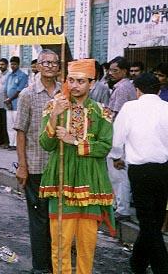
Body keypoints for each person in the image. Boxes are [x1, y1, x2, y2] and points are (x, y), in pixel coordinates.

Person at [39, 58, 115, 274]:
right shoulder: (54, 107)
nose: (74, 85)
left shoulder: (103, 112)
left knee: (87, 245)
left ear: (92, 83)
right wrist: (54, 116)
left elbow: (104, 147)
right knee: (60, 244)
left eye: (81, 81)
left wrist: (74, 141)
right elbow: (46, 144)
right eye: (71, 80)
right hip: (61, 180)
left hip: (90, 182)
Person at [109, 73, 168, 274]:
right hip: (163, 169)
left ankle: (161, 267)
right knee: (155, 219)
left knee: (147, 221)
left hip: (139, 170)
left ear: (138, 90)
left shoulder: (130, 108)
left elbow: (117, 137)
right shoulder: (166, 108)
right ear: (159, 90)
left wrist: (116, 156)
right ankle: (138, 263)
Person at [14, 50, 62, 274]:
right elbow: (21, 132)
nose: (51, 66)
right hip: (36, 165)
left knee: (60, 219)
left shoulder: (67, 92)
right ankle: (41, 267)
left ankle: (57, 265)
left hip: (62, 167)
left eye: (54, 63)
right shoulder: (28, 94)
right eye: (46, 63)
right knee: (40, 219)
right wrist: (22, 165)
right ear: (38, 66)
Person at [107, 56, 137, 220]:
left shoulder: (123, 88)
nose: (111, 73)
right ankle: (119, 206)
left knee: (119, 174)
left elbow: (115, 116)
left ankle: (122, 209)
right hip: (123, 136)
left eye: (115, 70)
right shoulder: (123, 87)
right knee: (118, 174)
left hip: (119, 136)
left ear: (124, 71)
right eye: (110, 70)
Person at [4, 56, 28, 151]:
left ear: (18, 64)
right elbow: (5, 89)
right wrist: (7, 99)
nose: (12, 66)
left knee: (16, 125)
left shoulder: (22, 76)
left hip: (17, 103)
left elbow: (19, 91)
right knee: (9, 125)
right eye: (11, 64)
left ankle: (16, 144)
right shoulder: (9, 76)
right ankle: (11, 143)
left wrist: (10, 99)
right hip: (9, 104)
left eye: (14, 64)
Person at [0, 58, 10, 147]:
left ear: (6, 65)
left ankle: (7, 142)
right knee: (0, 123)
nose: (0, 66)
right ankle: (0, 141)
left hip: (6, 103)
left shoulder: (9, 75)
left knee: (6, 123)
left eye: (2, 64)